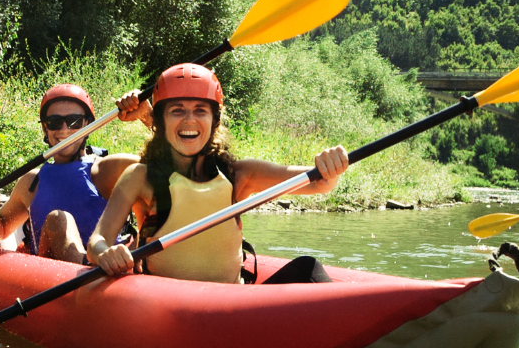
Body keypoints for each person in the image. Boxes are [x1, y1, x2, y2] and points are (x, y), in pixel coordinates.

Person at [85, 63, 348, 285]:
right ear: (161, 120)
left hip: (230, 306)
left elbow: (318, 184)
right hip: (169, 307)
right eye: (177, 110)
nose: (189, 120)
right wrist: (105, 253)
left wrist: (330, 166)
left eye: (201, 110)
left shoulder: (238, 175)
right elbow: (97, 241)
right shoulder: (139, 177)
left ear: (214, 121)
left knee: (308, 269)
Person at [0, 84, 138, 263]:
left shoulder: (105, 170)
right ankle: (87, 265)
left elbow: (163, 170)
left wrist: (147, 117)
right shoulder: (32, 182)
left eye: (75, 121)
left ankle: (95, 265)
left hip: (108, 272)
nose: (64, 130)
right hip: (51, 278)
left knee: (58, 219)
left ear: (88, 125)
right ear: (45, 129)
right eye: (55, 122)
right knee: (58, 220)